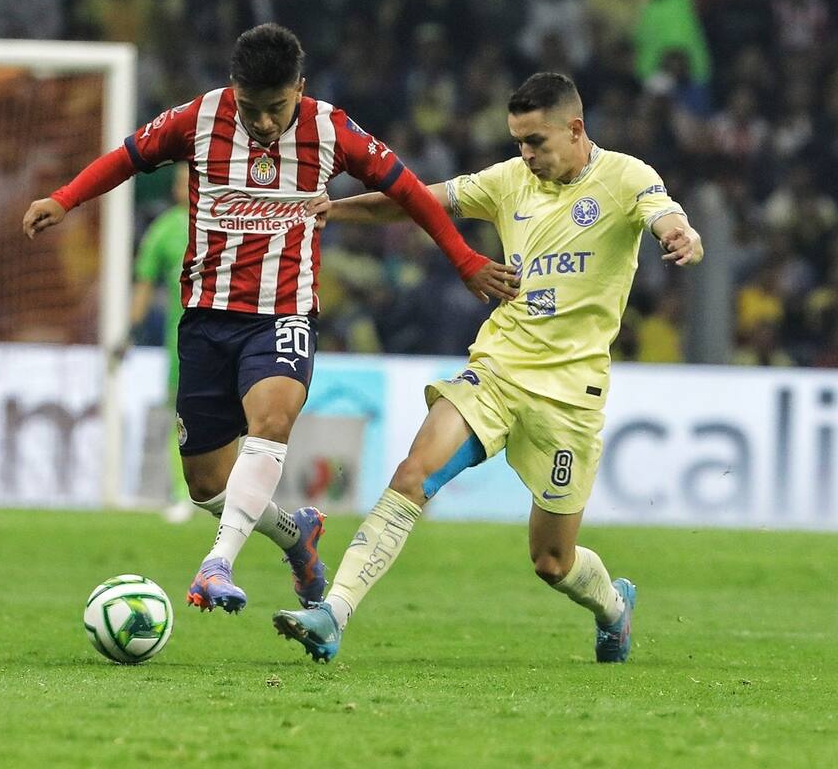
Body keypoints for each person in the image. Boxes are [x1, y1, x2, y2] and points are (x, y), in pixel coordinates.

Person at [22, 23, 518, 615]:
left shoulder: (331, 129)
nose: (261, 122)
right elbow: (127, 158)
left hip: (283, 313)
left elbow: (408, 190)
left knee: (272, 417)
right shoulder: (197, 119)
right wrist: (64, 198)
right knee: (207, 485)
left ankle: (217, 565)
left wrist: (464, 259)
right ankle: (296, 535)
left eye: (276, 108)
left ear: (300, 89)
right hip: (205, 318)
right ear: (234, 90)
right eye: (251, 108)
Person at [273, 72, 704, 663]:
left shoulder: (627, 176)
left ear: (575, 129)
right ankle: (333, 613)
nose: (525, 155)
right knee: (411, 475)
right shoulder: (507, 181)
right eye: (518, 142)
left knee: (552, 561)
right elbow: (417, 201)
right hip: (497, 372)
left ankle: (613, 606)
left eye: (536, 142)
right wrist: (335, 211)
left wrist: (681, 235)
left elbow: (665, 215)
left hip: (570, 398)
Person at [130, 163, 192, 518]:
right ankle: (183, 495)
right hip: (181, 341)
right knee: (180, 418)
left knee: (237, 418)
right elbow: (144, 282)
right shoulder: (165, 230)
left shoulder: (227, 222)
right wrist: (131, 329)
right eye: (181, 182)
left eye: (192, 180)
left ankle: (235, 495)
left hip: (233, 335)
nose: (185, 187)